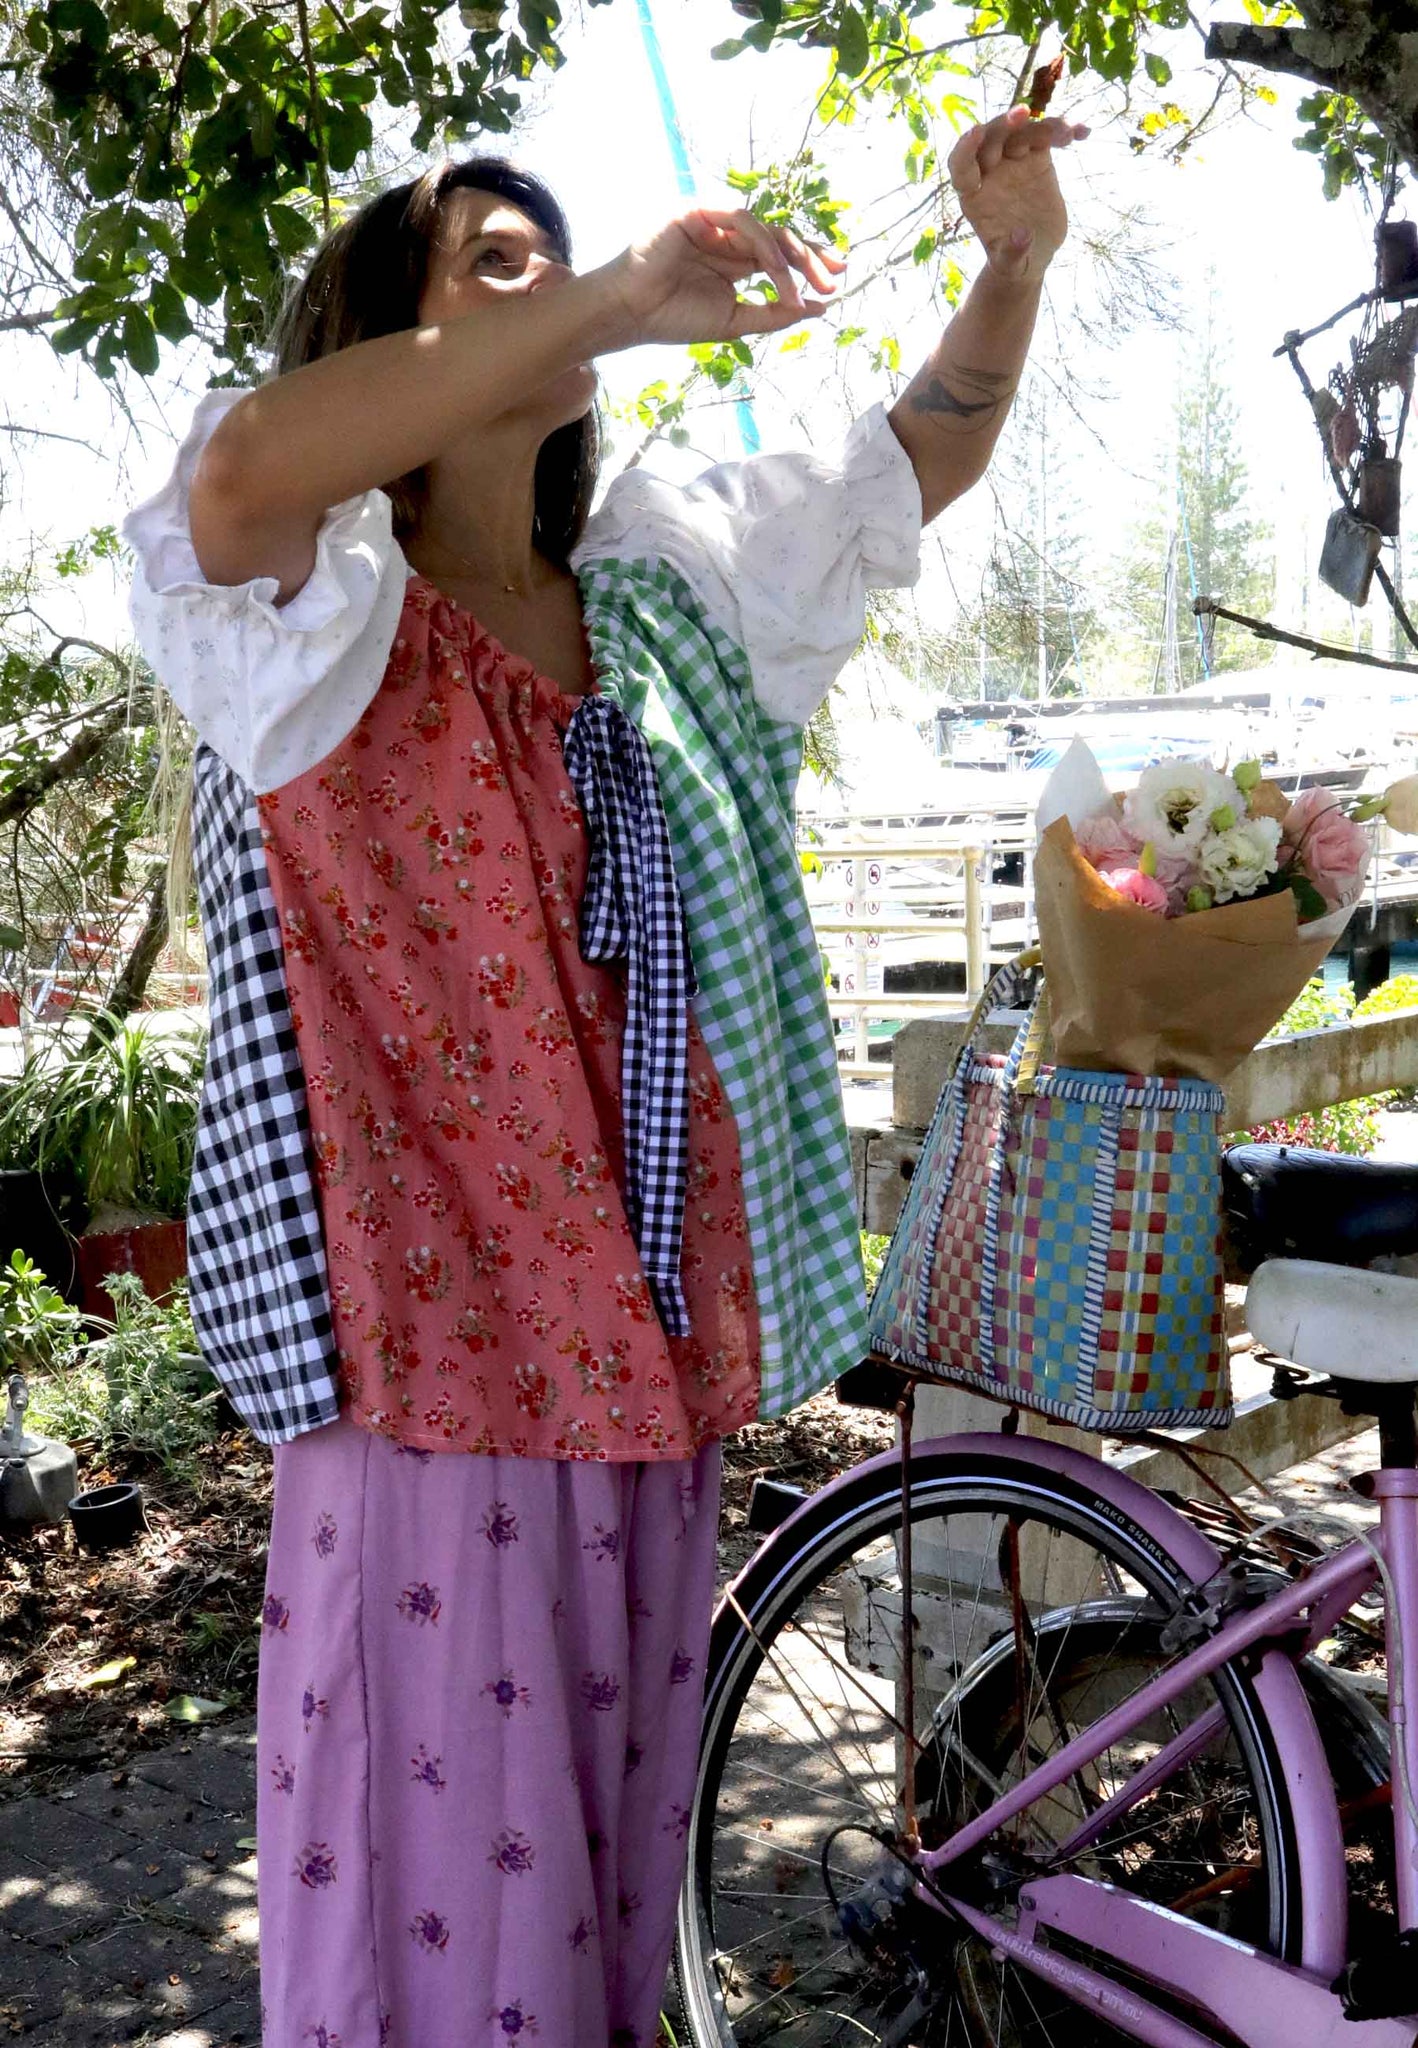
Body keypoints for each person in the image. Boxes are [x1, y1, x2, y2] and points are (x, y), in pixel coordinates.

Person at [124, 102, 1086, 2048]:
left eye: (546, 257)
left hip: (644, 1369)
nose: (542, 283)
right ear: (386, 332)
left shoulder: (652, 594)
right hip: (432, 1383)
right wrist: (626, 292)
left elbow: (919, 454)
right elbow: (240, 469)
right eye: (488, 263)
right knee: (439, 1947)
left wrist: (1012, 264)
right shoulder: (315, 622)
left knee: (592, 1928)